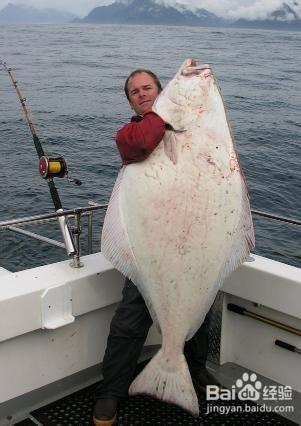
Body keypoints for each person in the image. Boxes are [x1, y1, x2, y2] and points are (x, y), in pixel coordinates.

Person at [93, 69, 219, 425]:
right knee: (129, 323)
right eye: (134, 91)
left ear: (159, 90)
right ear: (130, 100)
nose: (141, 93)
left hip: (193, 243)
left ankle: (194, 378)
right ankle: (111, 393)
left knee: (199, 319)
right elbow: (144, 141)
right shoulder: (131, 134)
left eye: (147, 87)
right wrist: (167, 111)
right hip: (150, 250)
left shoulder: (198, 130)